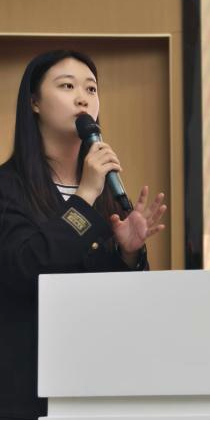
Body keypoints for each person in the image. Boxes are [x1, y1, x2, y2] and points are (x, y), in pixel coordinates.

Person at [0, 50, 167, 419]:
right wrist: (85, 195)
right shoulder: (8, 187)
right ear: (34, 103)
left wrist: (127, 254)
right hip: (26, 387)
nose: (83, 98)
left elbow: (117, 302)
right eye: (67, 86)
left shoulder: (106, 191)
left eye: (91, 89)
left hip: (96, 382)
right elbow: (26, 267)